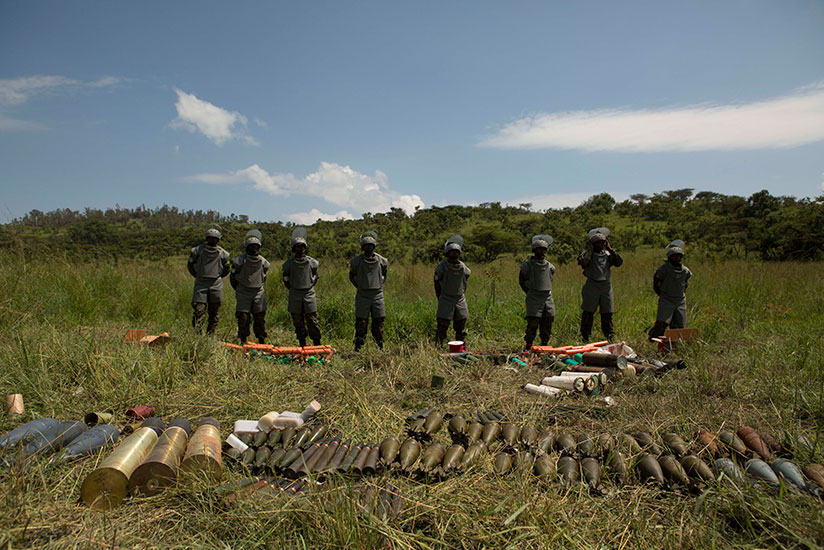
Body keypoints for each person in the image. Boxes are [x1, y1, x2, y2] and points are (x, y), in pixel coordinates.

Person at [577, 227, 623, 342]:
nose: (600, 245)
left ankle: (609, 336)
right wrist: (590, 251)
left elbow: (618, 263)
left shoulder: (608, 254)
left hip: (606, 286)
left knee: (607, 312)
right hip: (592, 285)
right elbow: (583, 263)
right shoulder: (587, 254)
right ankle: (585, 336)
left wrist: (610, 249)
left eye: (602, 242)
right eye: (597, 243)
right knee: (588, 312)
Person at [281, 228, 322, 347]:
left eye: (302, 246)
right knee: (298, 321)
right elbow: (286, 279)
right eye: (297, 246)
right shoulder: (288, 263)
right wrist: (293, 289)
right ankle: (302, 344)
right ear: (293, 248)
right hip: (294, 294)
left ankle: (317, 344)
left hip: (309, 293)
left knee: (313, 320)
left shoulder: (312, 262)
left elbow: (316, 277)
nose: (300, 248)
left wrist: (308, 286)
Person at [349, 231, 388, 351]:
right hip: (363, 294)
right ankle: (358, 347)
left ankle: (380, 346)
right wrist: (360, 286)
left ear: (374, 246)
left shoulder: (382, 260)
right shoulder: (356, 261)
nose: (368, 247)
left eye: (370, 245)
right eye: (366, 245)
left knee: (379, 321)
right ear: (362, 247)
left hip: (377, 294)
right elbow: (351, 275)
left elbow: (384, 274)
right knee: (361, 322)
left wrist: (379, 285)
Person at [188, 227, 231, 334]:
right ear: (207, 238)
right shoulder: (197, 250)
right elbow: (190, 264)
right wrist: (196, 275)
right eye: (210, 238)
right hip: (201, 283)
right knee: (199, 311)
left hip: (215, 284)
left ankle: (210, 334)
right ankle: (197, 334)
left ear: (218, 239)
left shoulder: (223, 253)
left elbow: (227, 269)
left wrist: (219, 276)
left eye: (215, 238)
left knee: (214, 312)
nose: (212, 240)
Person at [230, 229, 270, 344]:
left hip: (258, 292)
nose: (254, 248)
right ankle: (243, 340)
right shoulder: (239, 260)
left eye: (256, 246)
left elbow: (264, 276)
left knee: (260, 317)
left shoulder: (264, 262)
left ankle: (261, 339)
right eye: (252, 246)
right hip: (243, 291)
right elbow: (233, 277)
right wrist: (239, 289)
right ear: (247, 247)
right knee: (243, 317)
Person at [648, 240, 692, 340]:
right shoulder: (664, 269)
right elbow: (656, 283)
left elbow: (685, 283)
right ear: (669, 257)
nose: (676, 258)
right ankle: (654, 339)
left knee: (679, 325)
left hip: (680, 300)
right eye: (674, 256)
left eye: (678, 256)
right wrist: (662, 294)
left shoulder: (685, 271)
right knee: (662, 323)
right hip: (666, 299)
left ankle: (674, 345)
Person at [519, 235, 556, 350]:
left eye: (544, 249)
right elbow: (522, 281)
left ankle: (544, 345)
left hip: (547, 297)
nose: (542, 251)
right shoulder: (527, 266)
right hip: (534, 297)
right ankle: (529, 345)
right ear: (534, 250)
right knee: (533, 322)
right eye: (539, 249)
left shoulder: (550, 267)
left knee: (548, 321)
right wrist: (530, 292)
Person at [434, 235, 471, 345]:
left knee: (461, 323)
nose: (454, 254)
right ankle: (439, 345)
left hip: (459, 298)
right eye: (452, 252)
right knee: (442, 325)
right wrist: (439, 297)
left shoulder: (462, 266)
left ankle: (461, 346)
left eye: (456, 252)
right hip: (446, 298)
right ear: (447, 252)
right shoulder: (442, 266)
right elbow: (436, 281)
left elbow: (466, 276)